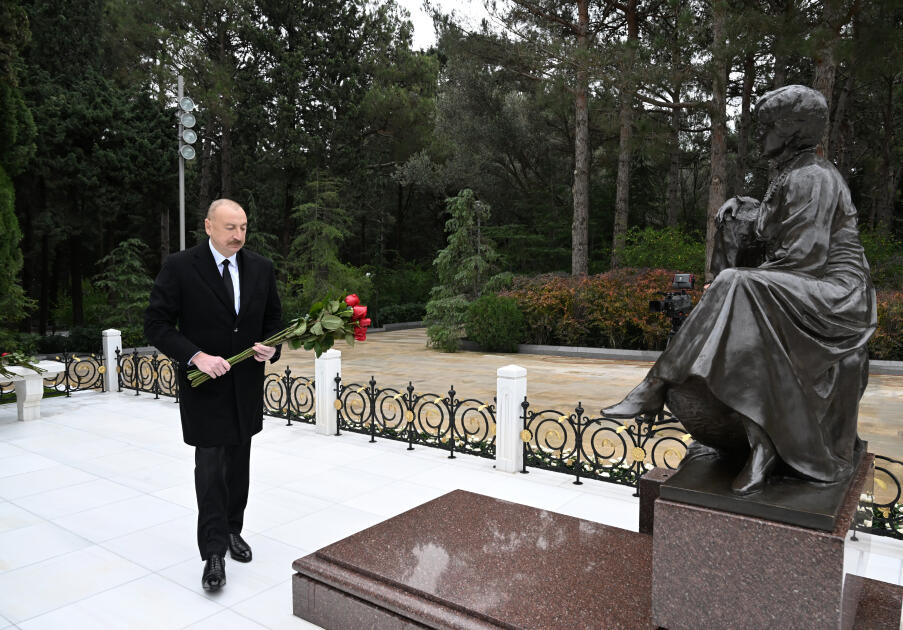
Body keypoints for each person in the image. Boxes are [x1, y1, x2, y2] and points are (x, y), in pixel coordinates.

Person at [603, 85, 877, 496]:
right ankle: (761, 443)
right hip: (807, 283)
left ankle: (656, 384)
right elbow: (773, 224)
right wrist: (744, 204)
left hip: (837, 294)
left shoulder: (813, 177)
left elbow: (802, 258)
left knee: (736, 283)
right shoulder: (791, 173)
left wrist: (735, 285)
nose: (759, 133)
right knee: (736, 290)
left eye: (768, 125)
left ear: (793, 130)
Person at [145, 198, 283, 591]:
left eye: (243, 228)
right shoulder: (180, 267)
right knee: (210, 471)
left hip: (245, 388)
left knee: (238, 466)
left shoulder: (261, 267)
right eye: (229, 227)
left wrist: (272, 347)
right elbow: (156, 324)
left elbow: (273, 320)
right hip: (204, 389)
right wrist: (196, 356)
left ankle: (233, 529)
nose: (238, 235)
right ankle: (213, 553)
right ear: (208, 226)